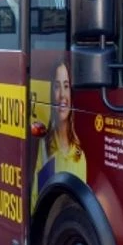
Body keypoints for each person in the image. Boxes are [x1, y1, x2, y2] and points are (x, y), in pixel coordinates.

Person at [32, 60, 88, 199]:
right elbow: (36, 198)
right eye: (57, 86)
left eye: (66, 86)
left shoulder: (79, 156)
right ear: (52, 94)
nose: (62, 94)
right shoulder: (45, 146)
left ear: (71, 93)